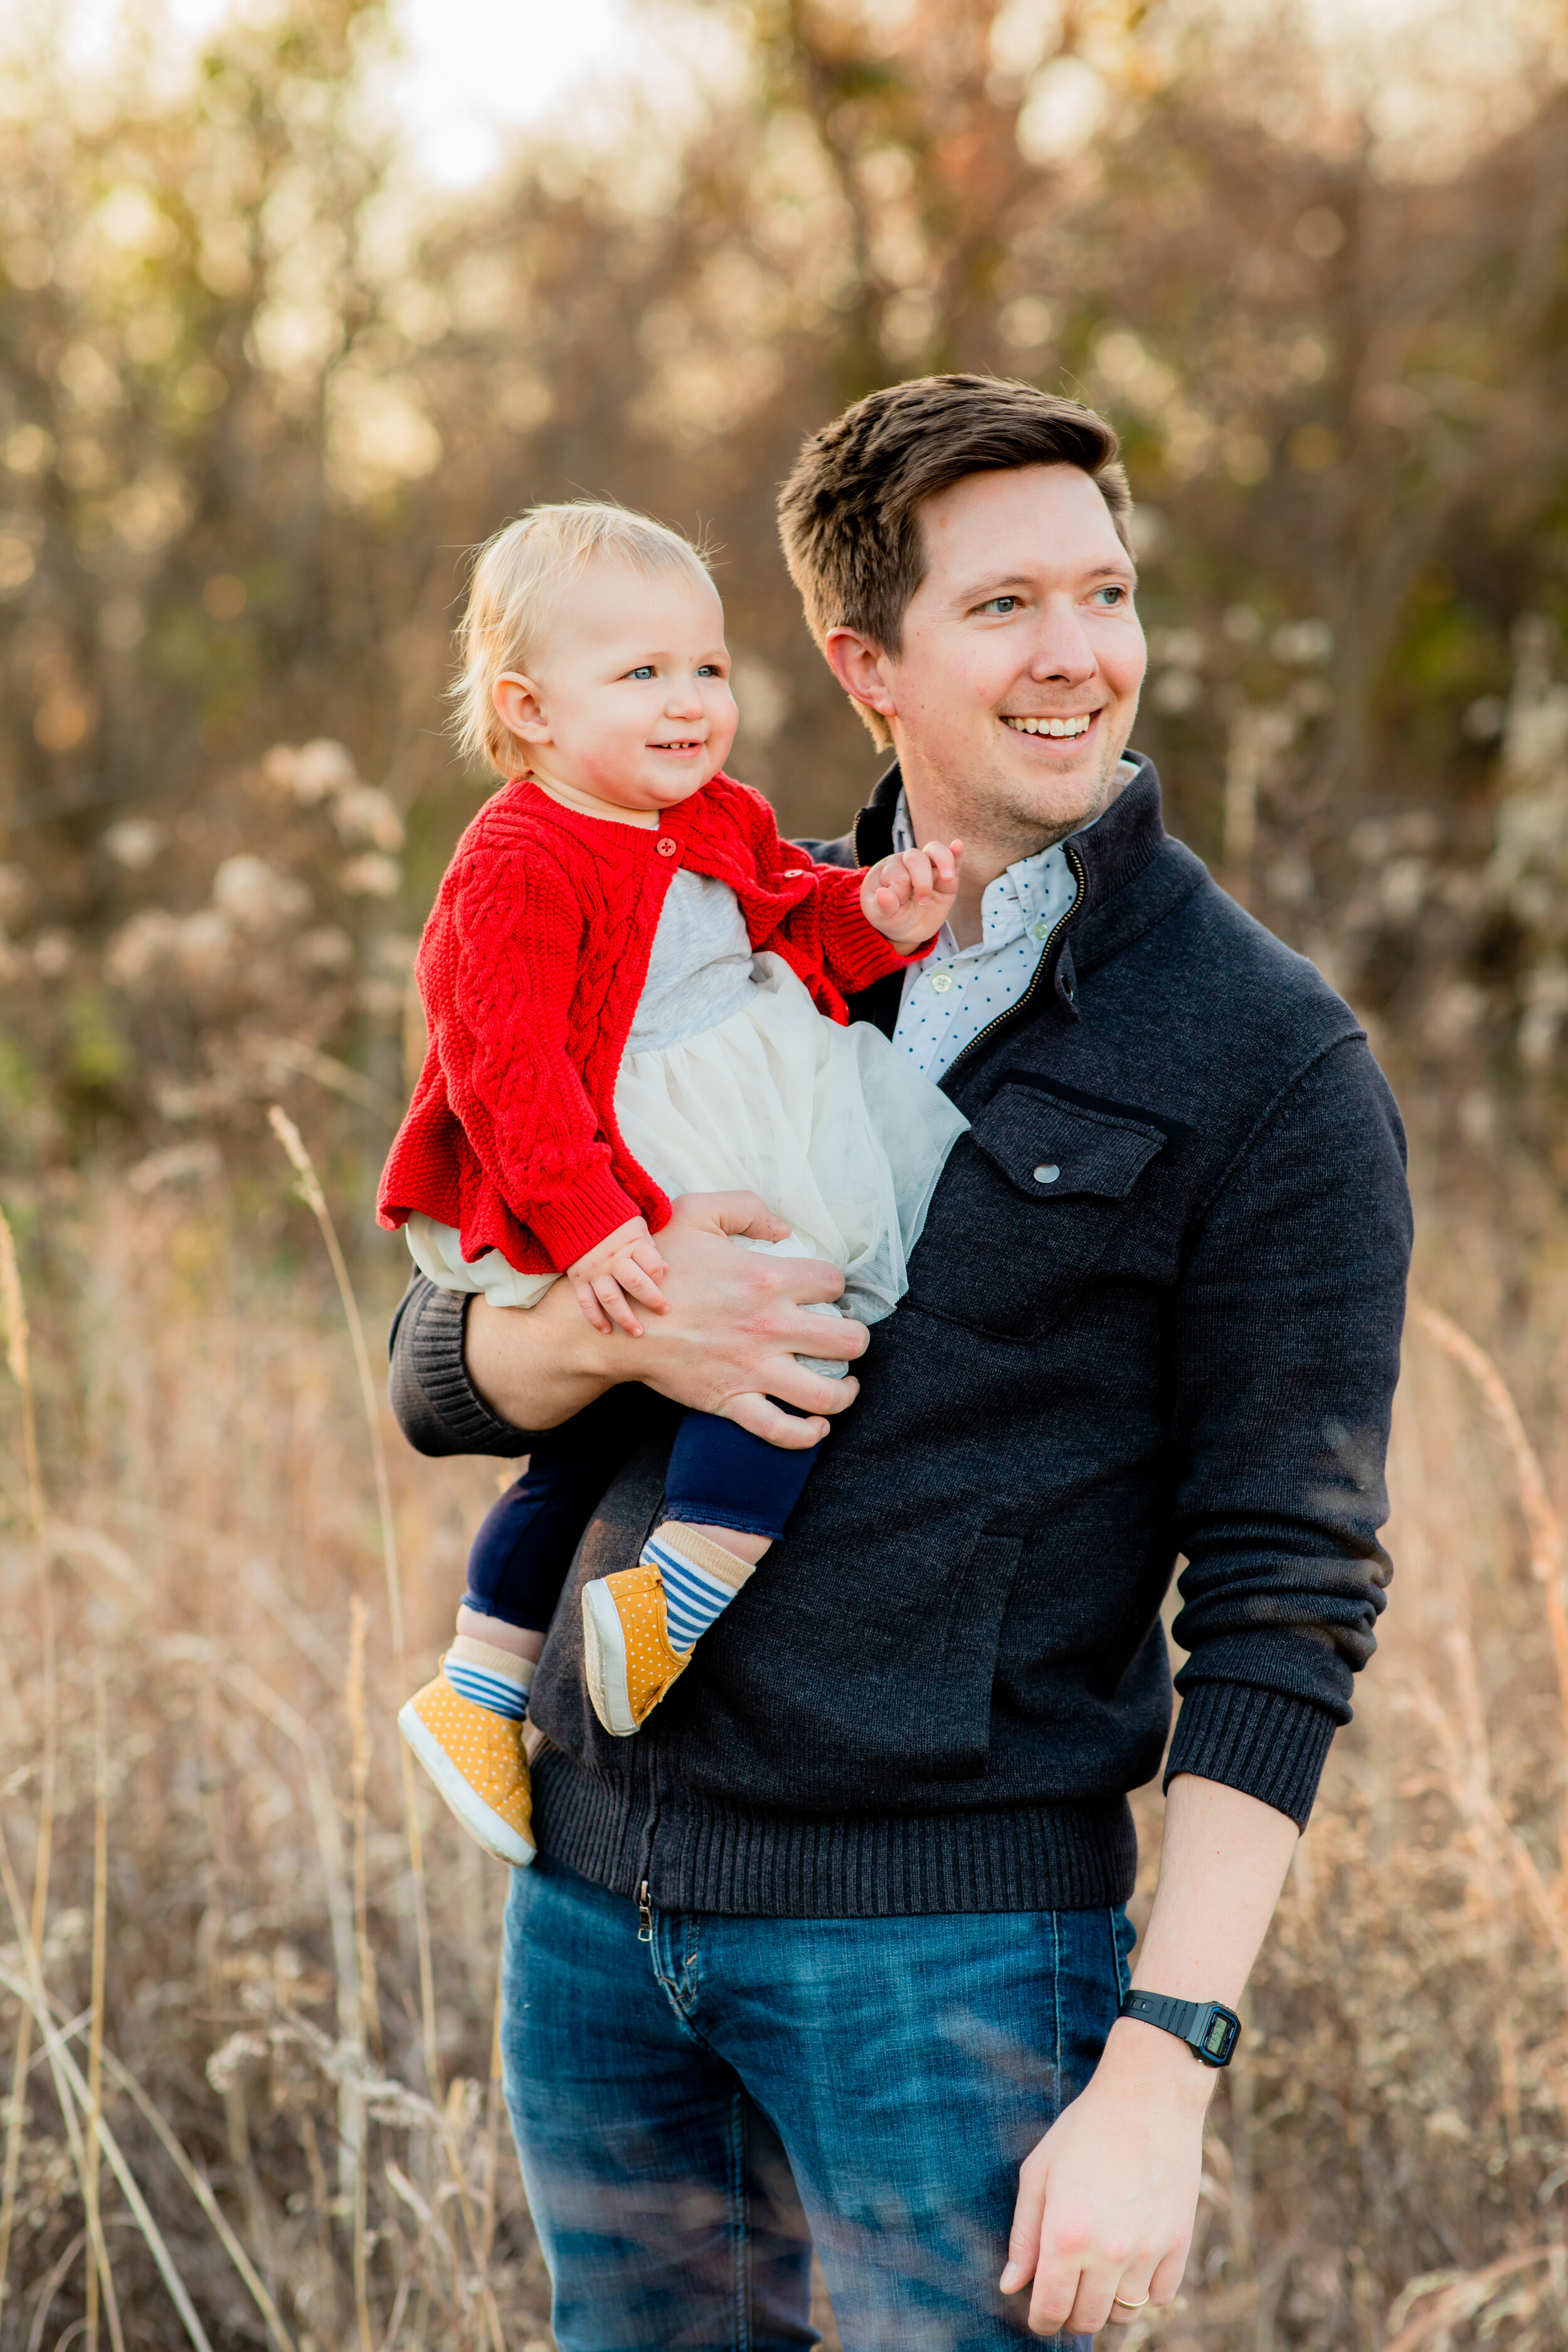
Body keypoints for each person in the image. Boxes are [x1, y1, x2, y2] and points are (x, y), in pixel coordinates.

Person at [388, 374, 1412, 2349]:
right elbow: (441, 1372)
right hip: (595, 1917)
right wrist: (612, 1314)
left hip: (943, 1955)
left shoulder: (1264, 1059)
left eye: (1102, 595)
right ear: (864, 661)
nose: (1079, 656)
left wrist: (1163, 2061)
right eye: (1004, 606)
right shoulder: (693, 912)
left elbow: (1288, 1593)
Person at [378, 499, 968, 1867]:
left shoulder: (720, 813)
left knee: (638, 1408)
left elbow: (781, 912)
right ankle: (678, 1592)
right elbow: (499, 1065)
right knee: (776, 1330)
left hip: (732, 1120)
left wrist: (871, 913)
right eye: (639, 674)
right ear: (527, 709)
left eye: (705, 667)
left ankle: (478, 1684)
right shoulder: (518, 857)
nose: (689, 700)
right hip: (593, 1157)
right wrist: (589, 1225)